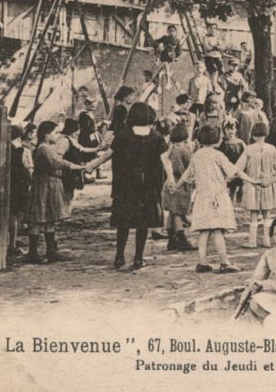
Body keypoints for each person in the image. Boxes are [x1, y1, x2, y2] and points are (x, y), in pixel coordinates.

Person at [86, 103, 169, 270]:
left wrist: (91, 166)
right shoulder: (156, 136)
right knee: (143, 224)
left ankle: (119, 257)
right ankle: (138, 258)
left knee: (123, 223)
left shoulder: (122, 135)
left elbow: (107, 155)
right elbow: (166, 160)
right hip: (148, 186)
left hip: (125, 186)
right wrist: (171, 180)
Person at [171, 124, 260, 273]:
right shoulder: (218, 155)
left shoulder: (196, 155)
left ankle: (202, 262)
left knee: (204, 231)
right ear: (217, 139)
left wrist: (176, 186)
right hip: (217, 197)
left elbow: (187, 174)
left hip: (202, 197)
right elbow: (235, 171)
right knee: (218, 230)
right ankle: (224, 262)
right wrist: (252, 181)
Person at [26, 121, 86, 264]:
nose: (58, 135)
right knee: (38, 218)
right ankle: (32, 253)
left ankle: (51, 251)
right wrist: (78, 167)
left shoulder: (48, 147)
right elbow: (57, 162)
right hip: (44, 185)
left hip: (52, 184)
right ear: (46, 134)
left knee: (50, 218)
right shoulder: (44, 148)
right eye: (55, 132)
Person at [238, 122, 276, 249]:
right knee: (267, 213)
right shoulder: (272, 148)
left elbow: (238, 168)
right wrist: (272, 175)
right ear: (266, 134)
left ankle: (252, 240)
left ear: (253, 136)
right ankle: (266, 240)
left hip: (252, 185)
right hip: (267, 184)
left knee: (253, 214)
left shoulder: (248, 149)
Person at [160, 124, 197, 252]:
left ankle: (171, 240)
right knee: (178, 213)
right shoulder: (185, 151)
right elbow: (190, 168)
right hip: (180, 184)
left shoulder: (170, 150)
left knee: (171, 212)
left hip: (169, 183)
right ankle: (181, 239)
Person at [9, 125, 32, 259]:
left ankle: (11, 242)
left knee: (11, 215)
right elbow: (27, 169)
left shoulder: (4, 148)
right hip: (18, 186)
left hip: (9, 185)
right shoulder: (21, 150)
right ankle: (12, 245)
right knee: (14, 214)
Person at [217, 118, 246, 204]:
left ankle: (232, 206)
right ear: (224, 130)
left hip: (236, 169)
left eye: (232, 128)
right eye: (228, 129)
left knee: (234, 189)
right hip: (225, 169)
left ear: (236, 130)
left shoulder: (240, 142)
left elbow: (246, 154)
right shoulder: (222, 143)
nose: (230, 131)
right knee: (223, 190)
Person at [77, 96, 101, 180]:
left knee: (95, 154)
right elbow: (88, 127)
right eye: (92, 105)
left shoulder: (90, 114)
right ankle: (83, 176)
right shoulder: (83, 114)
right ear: (87, 104)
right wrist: (98, 126)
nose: (94, 107)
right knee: (85, 156)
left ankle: (98, 173)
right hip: (86, 138)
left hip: (91, 137)